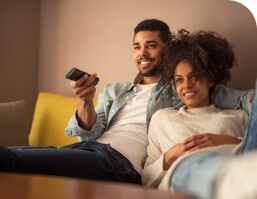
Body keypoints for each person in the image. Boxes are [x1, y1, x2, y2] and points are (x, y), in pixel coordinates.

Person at [0, 20, 253, 184]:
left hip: (121, 164)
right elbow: (87, 135)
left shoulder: (182, 86)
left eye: (150, 45)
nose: (142, 52)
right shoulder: (114, 91)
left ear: (168, 50)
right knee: (12, 156)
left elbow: (243, 100)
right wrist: (84, 100)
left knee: (12, 162)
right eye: (136, 46)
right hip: (90, 152)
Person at [142, 30, 256, 199]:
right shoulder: (162, 118)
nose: (186, 85)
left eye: (193, 77)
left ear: (210, 79)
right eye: (179, 80)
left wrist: (227, 141)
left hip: (238, 160)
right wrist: (170, 156)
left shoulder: (238, 116)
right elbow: (146, 178)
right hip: (187, 168)